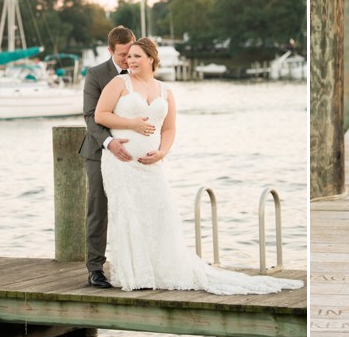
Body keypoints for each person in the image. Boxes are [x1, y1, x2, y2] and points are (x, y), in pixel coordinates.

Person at [94, 37, 304, 294]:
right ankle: (136, 273)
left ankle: (161, 268)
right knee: (128, 214)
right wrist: (132, 125)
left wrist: (162, 152)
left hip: (151, 165)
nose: (131, 60)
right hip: (121, 163)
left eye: (137, 56)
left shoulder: (164, 91)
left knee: (159, 213)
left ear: (151, 59)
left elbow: (169, 128)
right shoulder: (119, 83)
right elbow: (100, 115)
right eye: (129, 56)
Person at [79, 25, 154, 288]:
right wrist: (110, 143)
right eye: (122, 54)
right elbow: (91, 116)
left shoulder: (141, 73)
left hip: (135, 155)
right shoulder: (97, 75)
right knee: (98, 208)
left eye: (132, 52)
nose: (128, 59)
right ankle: (95, 268)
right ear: (110, 50)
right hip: (100, 152)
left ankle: (142, 264)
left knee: (137, 206)